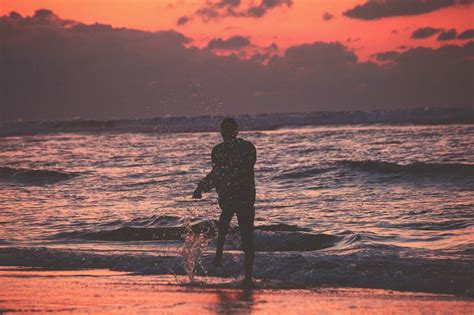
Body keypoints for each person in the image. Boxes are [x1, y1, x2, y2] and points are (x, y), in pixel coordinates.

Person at [192, 118, 256, 285]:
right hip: (241, 196)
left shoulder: (231, 149)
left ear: (233, 131)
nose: (224, 133)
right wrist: (201, 188)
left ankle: (221, 259)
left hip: (238, 196)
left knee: (230, 229)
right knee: (241, 234)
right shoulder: (245, 147)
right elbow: (218, 173)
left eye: (226, 130)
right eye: (223, 130)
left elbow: (219, 173)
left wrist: (202, 187)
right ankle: (244, 275)